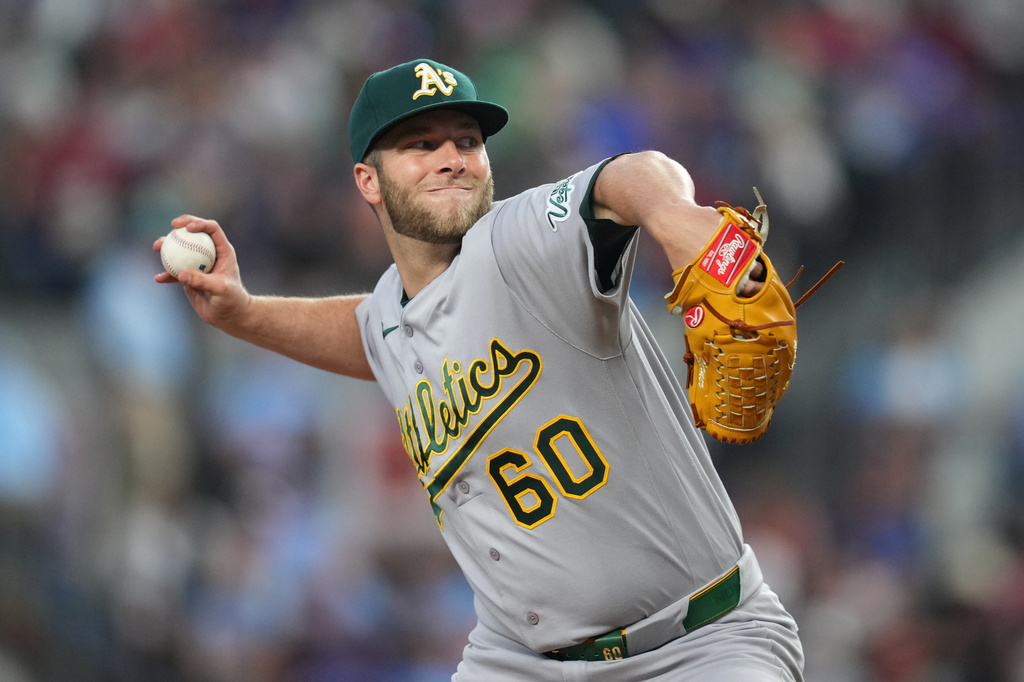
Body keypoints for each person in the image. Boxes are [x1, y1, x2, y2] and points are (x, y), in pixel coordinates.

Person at [154, 58, 804, 681]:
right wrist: (242, 315)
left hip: (698, 645)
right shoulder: (390, 313)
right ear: (368, 181)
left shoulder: (521, 241)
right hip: (520, 660)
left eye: (466, 140)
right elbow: (367, 333)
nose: (450, 157)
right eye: (419, 143)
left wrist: (673, 218)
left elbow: (631, 172)